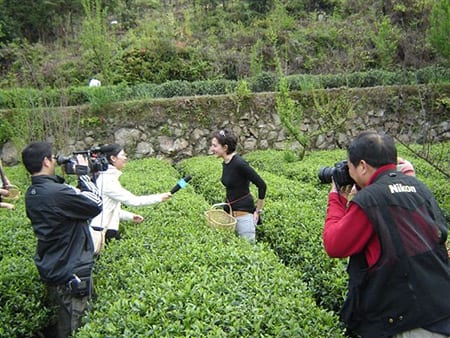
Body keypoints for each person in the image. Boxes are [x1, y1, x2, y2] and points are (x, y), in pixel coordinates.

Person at [322, 131, 450, 338]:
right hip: (441, 308)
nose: (349, 172)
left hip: (409, 322)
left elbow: (334, 245)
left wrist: (337, 198)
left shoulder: (371, 199)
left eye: (350, 166)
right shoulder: (420, 187)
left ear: (362, 166)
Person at [21, 141, 103, 338]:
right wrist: (83, 173)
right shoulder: (56, 193)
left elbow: (71, 204)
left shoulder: (33, 193)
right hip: (71, 270)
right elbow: (96, 203)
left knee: (63, 327)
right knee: (77, 328)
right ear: (46, 161)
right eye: (53, 158)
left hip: (55, 266)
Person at [90, 143, 172, 242]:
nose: (125, 158)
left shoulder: (106, 177)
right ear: (113, 158)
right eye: (123, 155)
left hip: (104, 228)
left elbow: (109, 208)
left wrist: (130, 217)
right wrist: (159, 197)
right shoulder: (108, 181)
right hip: (102, 231)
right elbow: (134, 200)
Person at [210, 129, 267, 242]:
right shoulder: (226, 163)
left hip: (244, 216)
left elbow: (262, 185)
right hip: (230, 214)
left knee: (248, 251)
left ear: (225, 147)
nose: (212, 149)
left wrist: (258, 211)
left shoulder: (240, 163)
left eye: (215, 146)